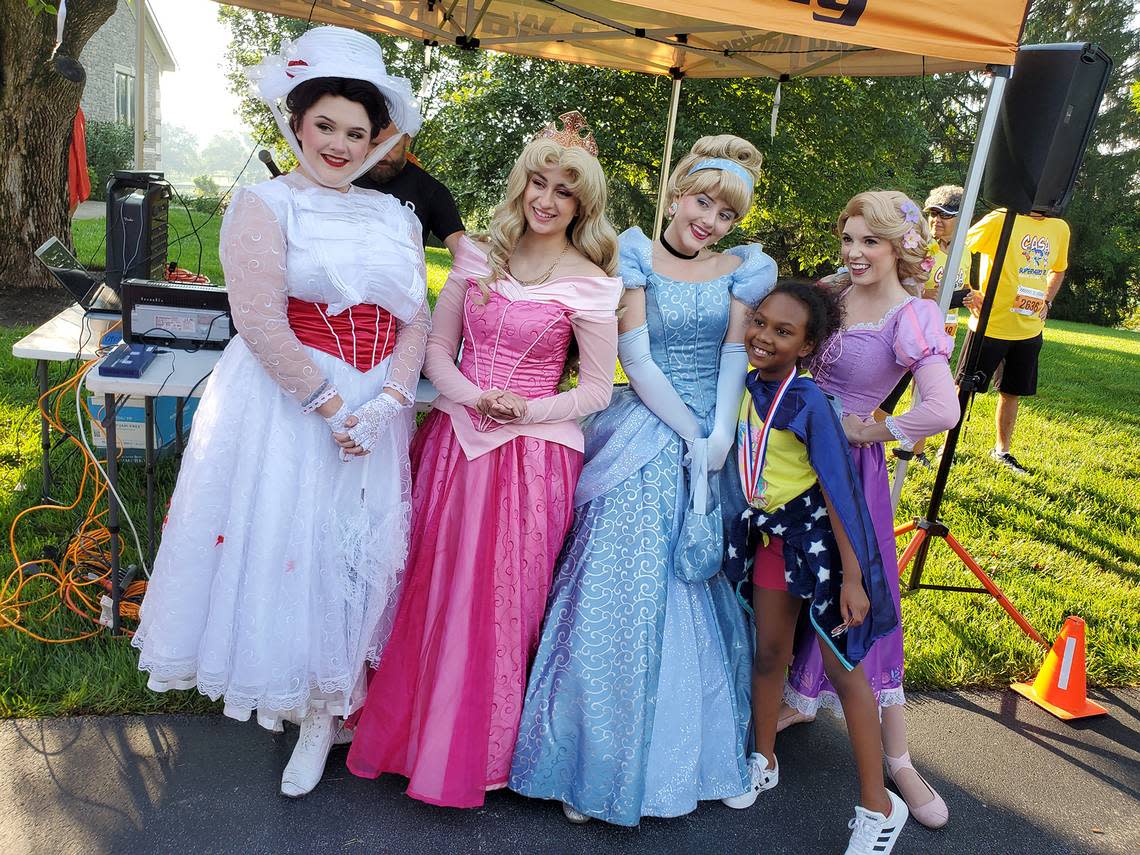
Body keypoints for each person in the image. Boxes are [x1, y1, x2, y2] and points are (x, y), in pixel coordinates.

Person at [131, 26, 430, 799]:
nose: (337, 142)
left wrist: (390, 399)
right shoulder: (263, 204)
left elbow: (415, 321)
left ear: (375, 141)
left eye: (355, 132)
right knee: (293, 549)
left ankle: (337, 705)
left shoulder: (395, 214)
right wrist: (331, 404)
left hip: (378, 405)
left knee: (353, 551)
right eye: (324, 124)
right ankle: (303, 708)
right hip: (294, 404)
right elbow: (259, 318)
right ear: (296, 124)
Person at [345, 112, 622, 809]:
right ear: (521, 182)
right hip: (456, 439)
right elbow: (437, 347)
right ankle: (412, 733)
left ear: (582, 204)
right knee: (432, 585)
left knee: (503, 601)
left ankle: (487, 750)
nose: (547, 198)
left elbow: (594, 389)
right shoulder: (477, 256)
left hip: (532, 459)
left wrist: (524, 409)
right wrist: (472, 396)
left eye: (565, 189)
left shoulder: (591, 283)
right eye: (538, 180)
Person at [509, 135, 778, 826]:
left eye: (725, 214)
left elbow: (732, 353)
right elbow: (633, 350)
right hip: (644, 431)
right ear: (677, 193)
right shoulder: (635, 253)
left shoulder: (741, 270)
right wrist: (688, 431)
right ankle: (589, 758)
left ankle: (686, 758)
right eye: (702, 202)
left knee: (688, 584)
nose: (711, 221)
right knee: (615, 586)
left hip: (706, 445)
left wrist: (719, 433)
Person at [774, 191, 959, 831]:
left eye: (870, 242)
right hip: (783, 457)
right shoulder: (832, 292)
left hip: (849, 473)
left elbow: (942, 410)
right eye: (849, 239)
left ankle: (899, 760)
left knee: (863, 604)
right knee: (783, 580)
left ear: (900, 246)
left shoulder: (914, 316)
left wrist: (865, 432)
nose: (854, 253)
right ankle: (791, 700)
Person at [726, 281, 907, 854]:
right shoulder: (747, 385)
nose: (764, 337)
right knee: (769, 652)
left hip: (825, 552)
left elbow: (841, 494)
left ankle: (878, 805)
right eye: (761, 322)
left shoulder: (810, 402)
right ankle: (763, 757)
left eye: (784, 332)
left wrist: (854, 579)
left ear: (807, 346)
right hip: (775, 542)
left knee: (845, 671)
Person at [962, 208, 1070, 475]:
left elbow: (1059, 268)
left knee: (1011, 392)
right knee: (963, 388)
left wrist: (1047, 299)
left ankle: (1002, 451)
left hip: (1029, 330)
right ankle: (947, 446)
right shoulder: (1001, 217)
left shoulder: (1059, 227)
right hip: (990, 326)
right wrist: (968, 290)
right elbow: (960, 249)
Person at [875, 185, 971, 454]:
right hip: (907, 333)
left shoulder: (966, 251)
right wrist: (926, 293)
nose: (937, 220)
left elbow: (965, 287)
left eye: (946, 215)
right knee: (890, 392)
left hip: (941, 334)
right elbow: (893, 283)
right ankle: (869, 441)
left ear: (962, 219)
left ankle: (916, 451)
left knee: (927, 396)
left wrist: (968, 297)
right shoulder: (917, 247)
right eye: (933, 214)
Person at [353, 122, 465, 254]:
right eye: (374, 144)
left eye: (391, 145)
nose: (382, 155)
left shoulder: (431, 190)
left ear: (407, 140)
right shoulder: (345, 178)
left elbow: (464, 254)